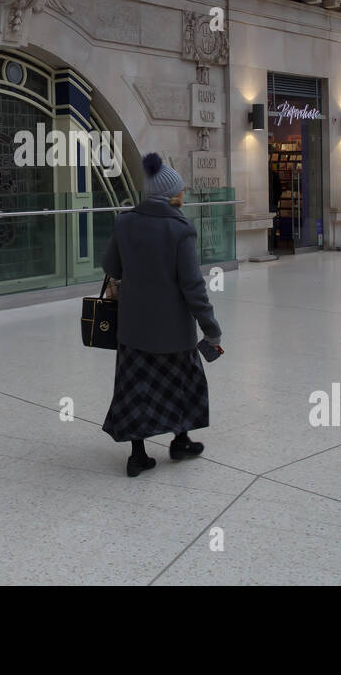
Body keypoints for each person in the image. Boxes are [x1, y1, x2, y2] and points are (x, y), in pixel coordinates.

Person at [101, 153, 222, 477]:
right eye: (180, 190)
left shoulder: (124, 222)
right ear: (171, 195)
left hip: (134, 329)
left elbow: (111, 267)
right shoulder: (181, 228)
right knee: (182, 385)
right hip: (173, 333)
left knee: (136, 389)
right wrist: (211, 328)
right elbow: (193, 286)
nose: (183, 194)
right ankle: (180, 440)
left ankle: (137, 455)